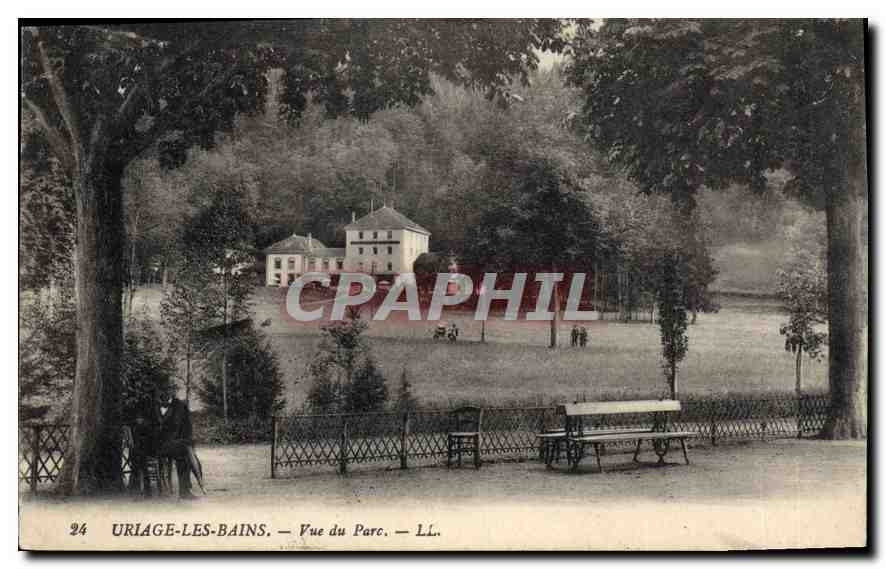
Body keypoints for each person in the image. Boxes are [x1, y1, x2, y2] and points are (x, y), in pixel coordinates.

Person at [155, 390, 197, 499]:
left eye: (167, 390)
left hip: (173, 444)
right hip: (155, 445)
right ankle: (184, 491)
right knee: (183, 450)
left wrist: (186, 441)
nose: (163, 394)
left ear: (172, 392)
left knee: (183, 452)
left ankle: (184, 491)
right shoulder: (151, 406)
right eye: (161, 390)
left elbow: (188, 428)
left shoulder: (180, 406)